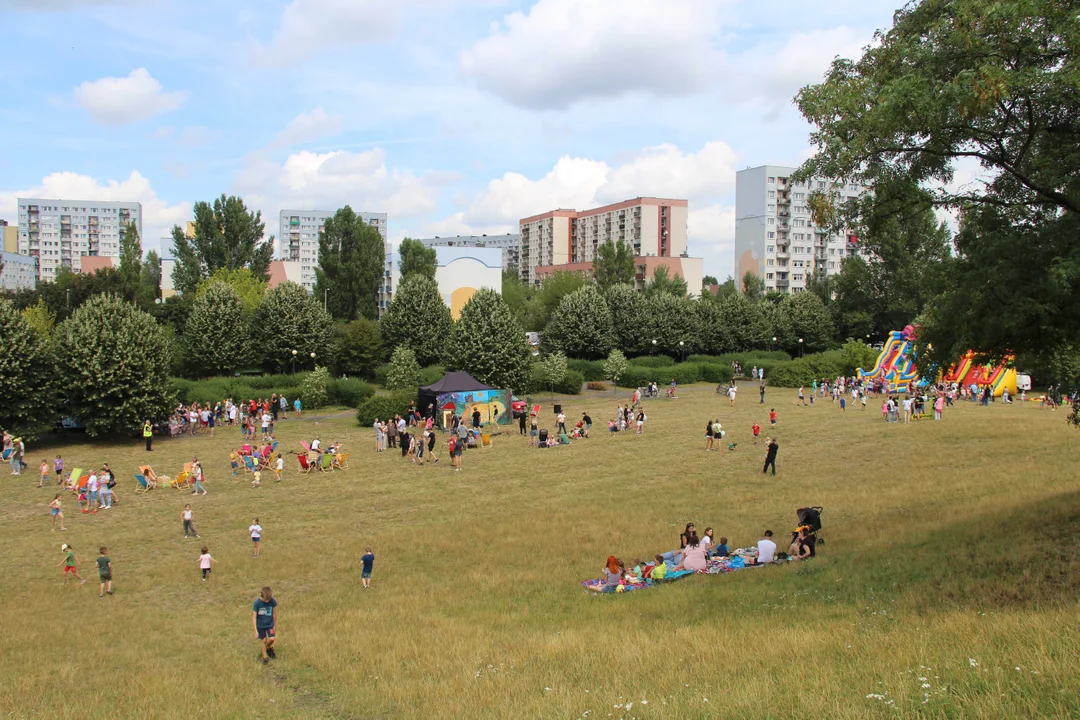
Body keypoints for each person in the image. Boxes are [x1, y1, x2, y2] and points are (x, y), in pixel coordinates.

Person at [253, 586, 278, 664]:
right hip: (260, 625)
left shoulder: (272, 601)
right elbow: (253, 617)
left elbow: (274, 614)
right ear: (262, 596)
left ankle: (268, 647)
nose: (267, 601)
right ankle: (265, 657)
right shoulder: (257, 603)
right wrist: (255, 631)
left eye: (268, 599)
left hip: (270, 624)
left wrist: (274, 625)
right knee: (263, 640)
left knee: (272, 639)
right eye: (265, 599)